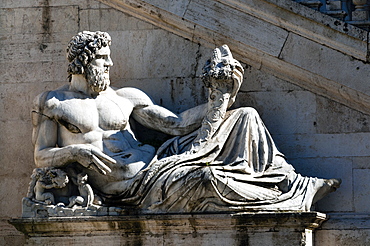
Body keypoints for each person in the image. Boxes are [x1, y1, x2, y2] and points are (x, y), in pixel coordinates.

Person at [31, 31, 340, 213]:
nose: (111, 64)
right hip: (131, 187)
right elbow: (41, 155)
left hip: (161, 161)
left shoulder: (124, 97)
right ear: (83, 62)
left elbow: (177, 125)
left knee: (246, 116)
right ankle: (287, 200)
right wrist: (75, 153)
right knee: (207, 179)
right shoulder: (55, 103)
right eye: (103, 58)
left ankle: (293, 185)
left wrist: (221, 95)